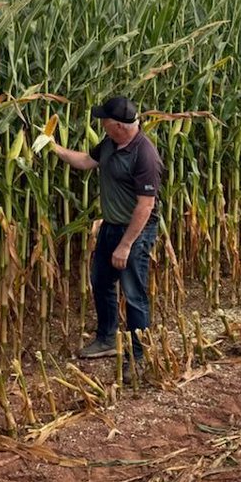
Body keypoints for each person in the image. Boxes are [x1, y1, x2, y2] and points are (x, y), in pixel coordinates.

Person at [48, 95, 163, 377]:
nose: (100, 124)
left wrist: (125, 245)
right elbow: (86, 161)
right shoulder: (110, 143)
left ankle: (139, 357)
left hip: (135, 231)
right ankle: (107, 339)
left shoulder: (144, 154)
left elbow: (145, 206)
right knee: (100, 282)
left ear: (119, 126)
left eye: (104, 121)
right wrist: (53, 146)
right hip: (111, 226)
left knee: (133, 293)